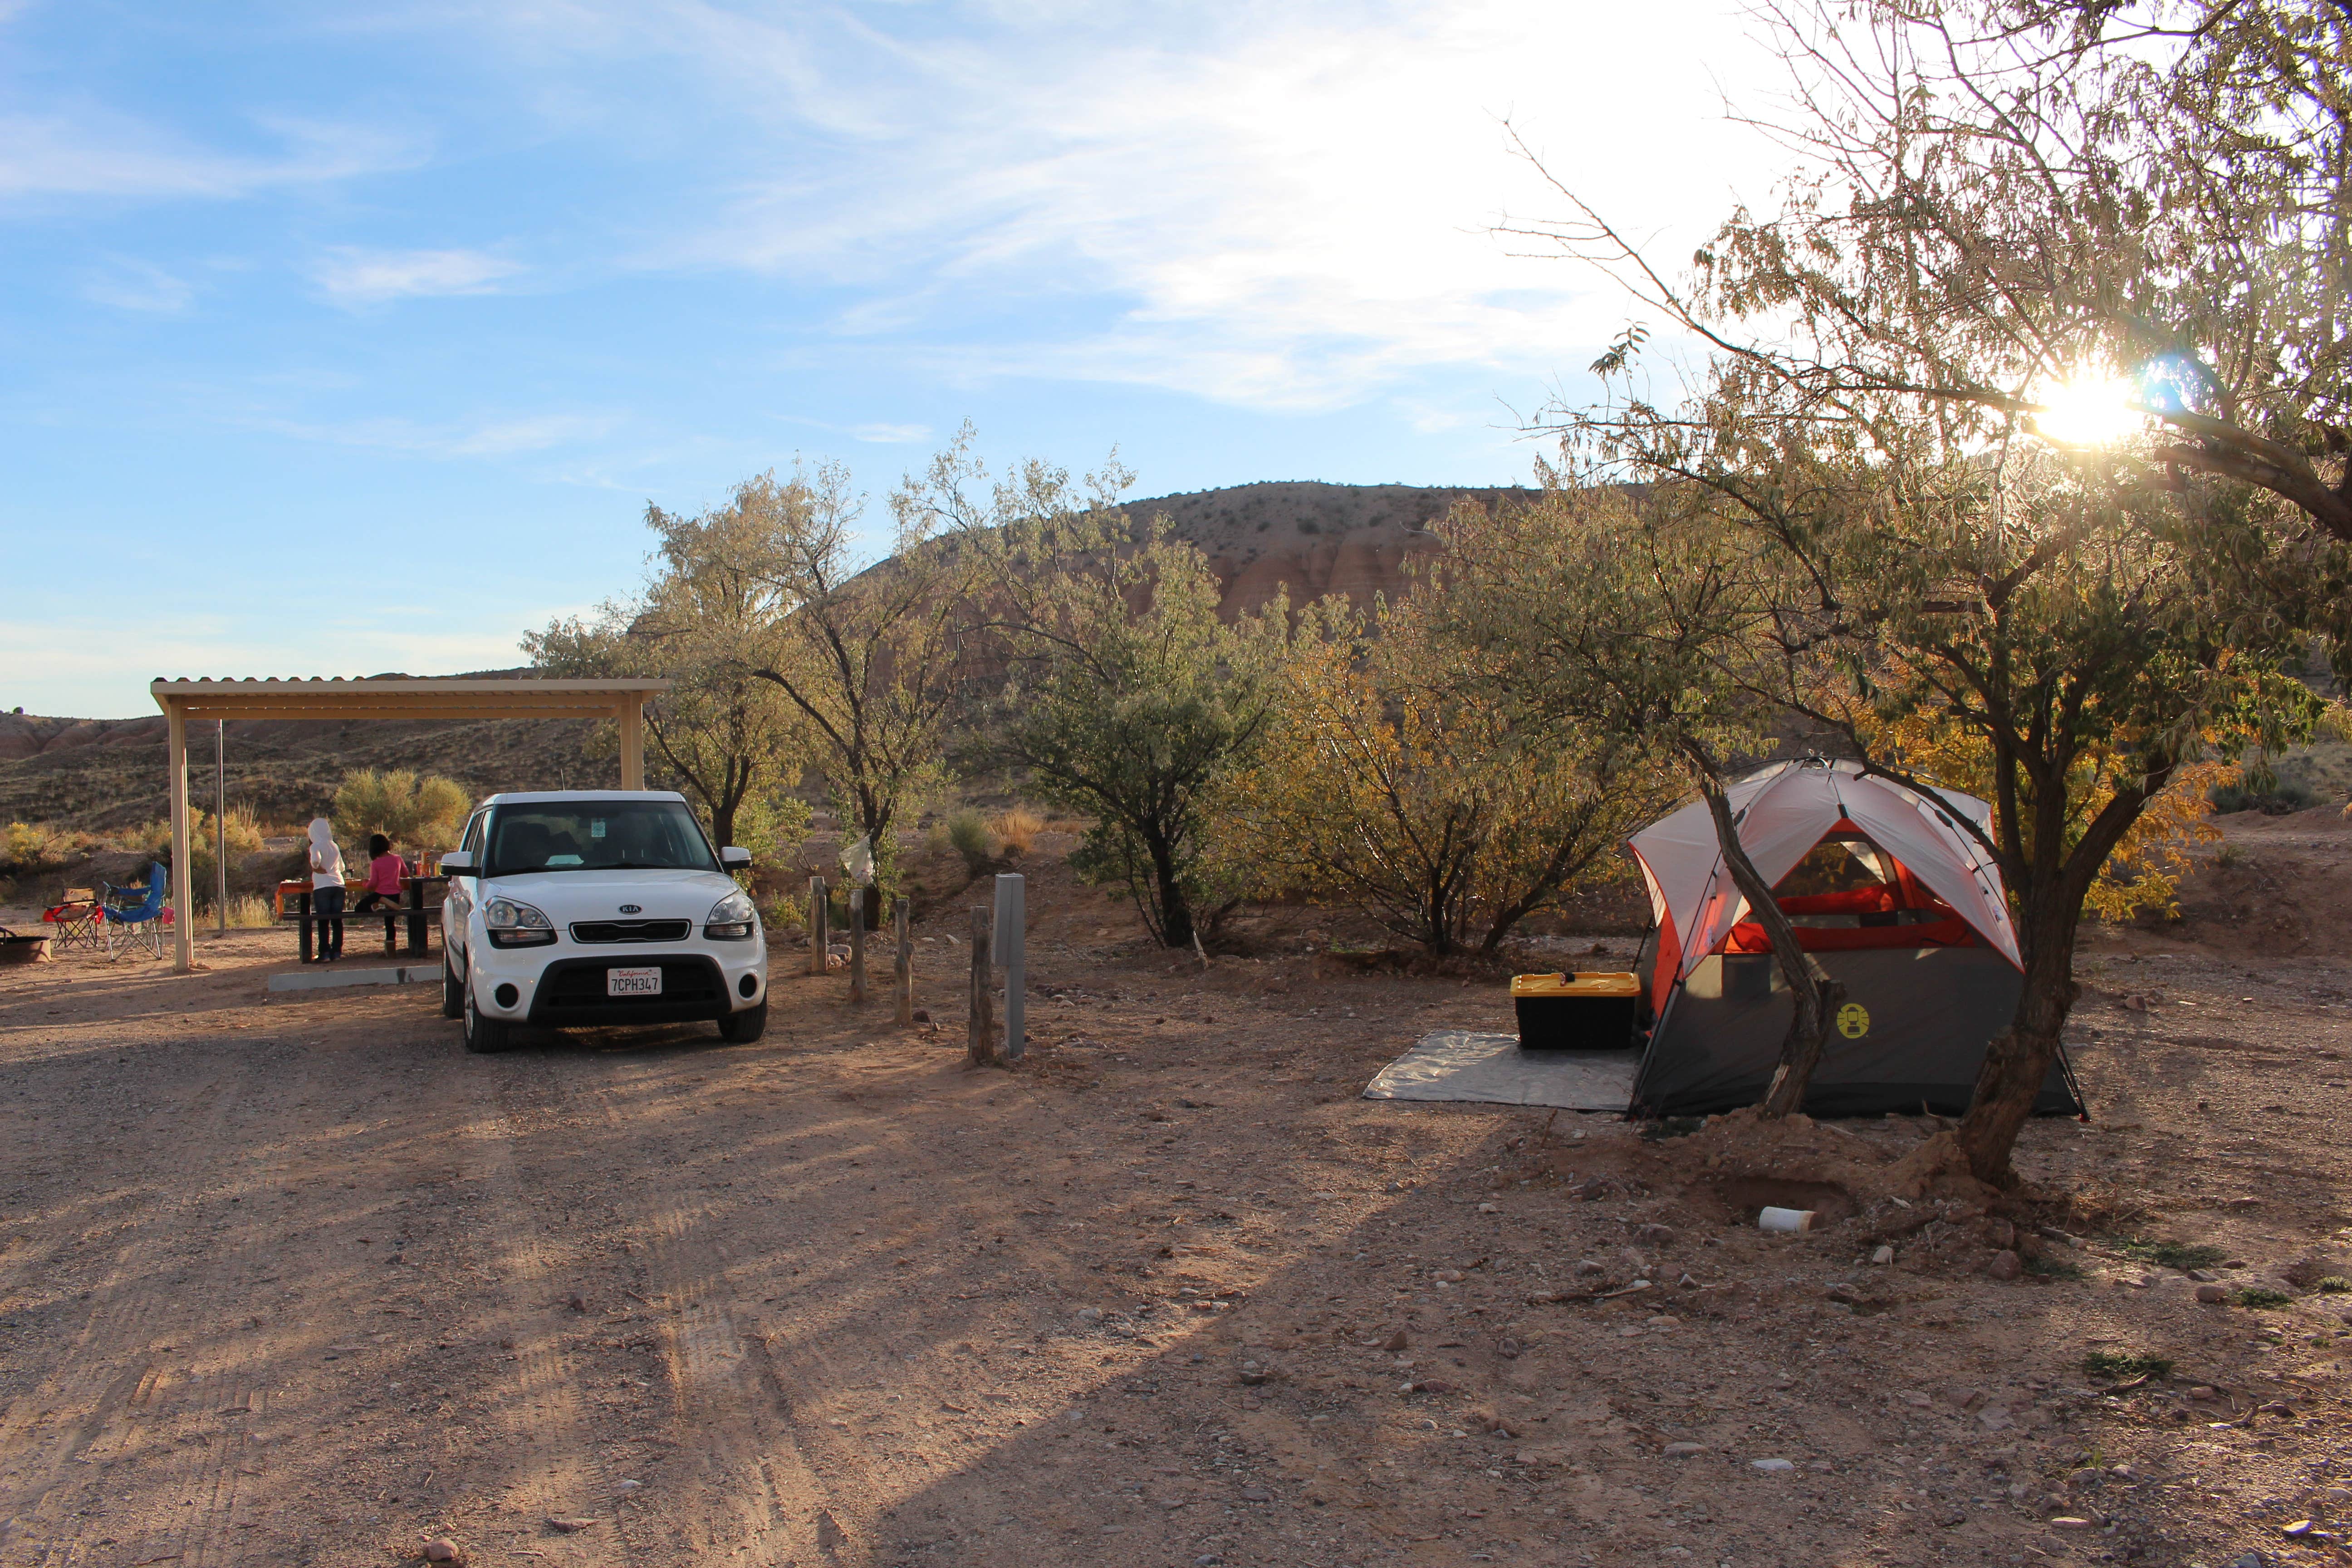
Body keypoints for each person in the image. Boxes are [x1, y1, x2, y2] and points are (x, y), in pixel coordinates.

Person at [306, 818, 346, 961]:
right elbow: (343, 867)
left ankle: (324, 953)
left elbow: (316, 860)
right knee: (337, 920)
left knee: (324, 920)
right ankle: (337, 952)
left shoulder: (315, 846)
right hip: (339, 885)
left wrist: (316, 867)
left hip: (323, 886)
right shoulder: (334, 845)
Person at [352, 833, 407, 915]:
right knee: (390, 923)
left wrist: (365, 883)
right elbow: (405, 874)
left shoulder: (376, 863)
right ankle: (385, 906)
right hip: (395, 895)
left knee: (359, 908)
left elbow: (373, 884)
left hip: (381, 895)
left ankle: (379, 906)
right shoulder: (398, 858)